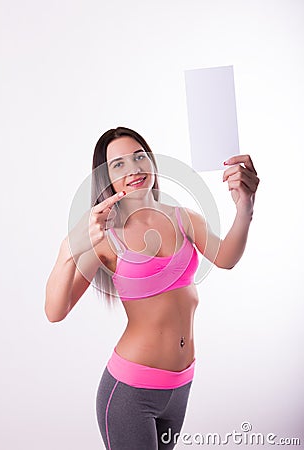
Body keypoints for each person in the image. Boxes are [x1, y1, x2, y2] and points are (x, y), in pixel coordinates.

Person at [45, 126, 260, 449]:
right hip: (130, 391)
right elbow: (55, 311)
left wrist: (245, 207)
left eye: (139, 157)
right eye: (118, 164)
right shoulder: (107, 238)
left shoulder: (182, 218)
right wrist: (67, 250)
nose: (133, 169)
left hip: (180, 385)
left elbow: (226, 257)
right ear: (106, 177)